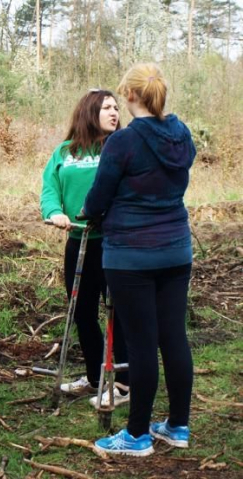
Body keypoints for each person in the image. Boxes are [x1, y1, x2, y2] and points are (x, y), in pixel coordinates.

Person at [86, 64, 196, 456]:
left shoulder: (123, 142)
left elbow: (99, 196)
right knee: (174, 337)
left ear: (131, 96)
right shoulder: (182, 136)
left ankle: (136, 436)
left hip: (131, 255)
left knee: (142, 343)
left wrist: (91, 212)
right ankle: (178, 426)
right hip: (176, 249)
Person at [40, 89, 130, 407]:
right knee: (82, 313)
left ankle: (122, 382)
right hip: (78, 243)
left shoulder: (119, 149)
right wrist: (54, 212)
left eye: (117, 107)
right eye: (107, 107)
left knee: (118, 313)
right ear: (90, 111)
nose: (114, 112)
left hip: (114, 243)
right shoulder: (65, 151)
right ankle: (94, 377)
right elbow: (49, 188)